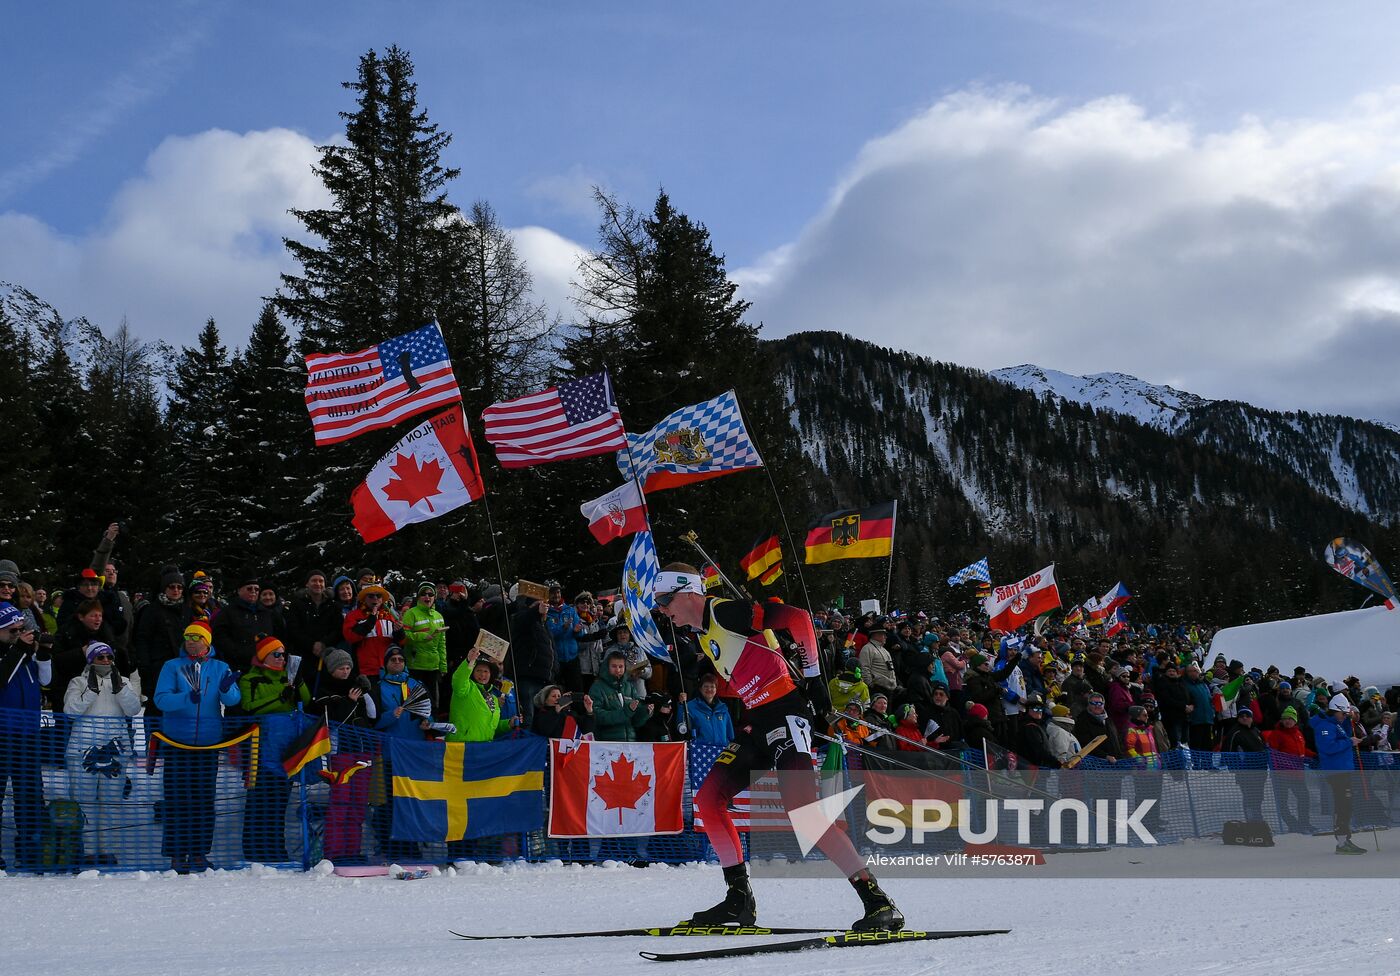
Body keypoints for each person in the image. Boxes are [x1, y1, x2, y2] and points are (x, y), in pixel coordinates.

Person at [654, 563, 903, 932]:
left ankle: (878, 902)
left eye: (664, 599)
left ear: (688, 591)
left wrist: (816, 678)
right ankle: (738, 900)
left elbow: (798, 618)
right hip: (757, 721)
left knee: (804, 813)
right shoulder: (704, 635)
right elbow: (746, 671)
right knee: (708, 800)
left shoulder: (722, 611)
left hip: (786, 713)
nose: (662, 609)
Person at [153, 620, 242, 873]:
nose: (191, 641)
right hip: (177, 743)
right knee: (177, 799)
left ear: (207, 641)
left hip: (208, 744)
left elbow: (234, 699)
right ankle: (177, 854)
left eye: (197, 637)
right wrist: (185, 698)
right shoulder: (172, 666)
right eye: (188, 637)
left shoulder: (220, 667)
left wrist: (226, 689)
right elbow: (161, 699)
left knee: (204, 800)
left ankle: (200, 852)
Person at [63, 641, 142, 865]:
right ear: (90, 660)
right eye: (100, 657)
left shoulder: (123, 681)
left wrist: (121, 689)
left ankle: (107, 850)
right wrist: (91, 692)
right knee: (83, 801)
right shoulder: (78, 682)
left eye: (109, 657)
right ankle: (86, 849)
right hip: (82, 751)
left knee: (111, 802)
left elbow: (133, 709)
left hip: (115, 751)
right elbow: (70, 711)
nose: (106, 661)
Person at [0, 603, 50, 869]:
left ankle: (30, 846)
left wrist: (43, 653)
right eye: (13, 630)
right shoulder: (12, 654)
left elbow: (46, 681)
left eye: (22, 629)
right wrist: (19, 648)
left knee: (30, 792)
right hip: (2, 734)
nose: (19, 634)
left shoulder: (23, 655)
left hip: (28, 734)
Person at [1311, 695, 1366, 854]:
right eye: (1343, 714)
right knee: (1343, 805)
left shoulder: (1337, 724)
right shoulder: (1325, 726)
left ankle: (1345, 840)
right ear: (1335, 711)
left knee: (1346, 805)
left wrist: (1349, 723)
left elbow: (1343, 737)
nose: (1344, 717)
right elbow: (1329, 747)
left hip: (1343, 769)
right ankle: (1342, 842)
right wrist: (1349, 742)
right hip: (1336, 771)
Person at [447, 649, 517, 742]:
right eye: (478, 670)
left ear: (490, 674)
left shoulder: (493, 698)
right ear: (472, 672)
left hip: (483, 748)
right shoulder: (465, 688)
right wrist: (469, 661)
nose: (482, 674)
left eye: (486, 671)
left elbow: (490, 726)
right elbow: (459, 678)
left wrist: (509, 723)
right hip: (462, 746)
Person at [1262, 705, 1313, 832]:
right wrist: (1285, 763)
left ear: (1295, 720)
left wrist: (1313, 756)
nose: (1287, 721)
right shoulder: (1277, 734)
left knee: (1304, 798)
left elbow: (1302, 750)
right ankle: (1293, 824)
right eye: (1285, 719)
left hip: (1297, 774)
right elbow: (1273, 753)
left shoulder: (1298, 733)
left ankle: (1304, 823)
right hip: (1282, 775)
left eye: (1290, 718)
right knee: (1283, 802)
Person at [401, 581, 447, 711]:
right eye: (423, 594)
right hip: (415, 665)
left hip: (433, 665)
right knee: (416, 701)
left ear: (435, 597)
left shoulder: (439, 616)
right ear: (418, 597)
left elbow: (442, 643)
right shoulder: (411, 613)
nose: (427, 597)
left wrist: (443, 665)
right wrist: (421, 636)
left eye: (430, 594)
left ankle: (432, 726)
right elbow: (404, 635)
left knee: (433, 702)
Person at [589, 650, 654, 742]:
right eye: (614, 666)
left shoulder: (629, 686)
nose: (618, 670)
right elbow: (597, 716)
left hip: (630, 743)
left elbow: (635, 722)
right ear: (607, 667)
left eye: (621, 666)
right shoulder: (597, 687)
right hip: (607, 743)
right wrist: (625, 712)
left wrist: (645, 712)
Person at [342, 583, 405, 677]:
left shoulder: (391, 616)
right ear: (364, 598)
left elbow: (401, 643)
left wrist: (399, 632)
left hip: (389, 670)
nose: (375, 598)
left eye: (378, 596)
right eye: (371, 596)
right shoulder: (353, 616)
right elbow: (350, 637)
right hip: (366, 671)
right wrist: (369, 622)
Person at [530, 684, 595, 740]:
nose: (557, 698)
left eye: (559, 696)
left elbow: (586, 730)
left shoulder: (568, 713)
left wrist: (589, 711)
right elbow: (545, 731)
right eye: (553, 696)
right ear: (545, 700)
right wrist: (556, 710)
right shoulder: (541, 715)